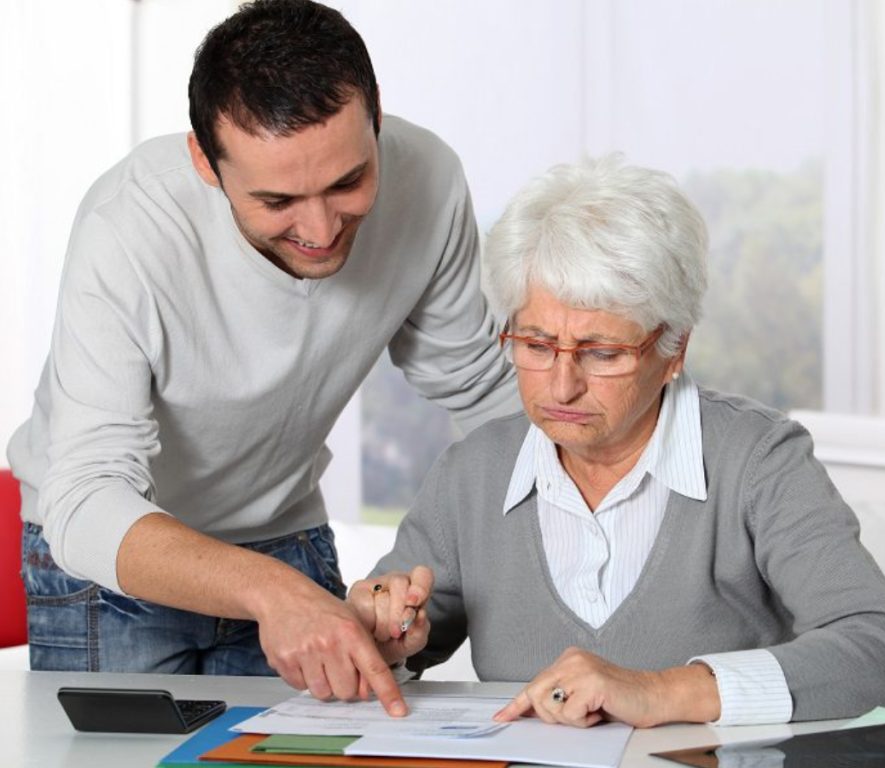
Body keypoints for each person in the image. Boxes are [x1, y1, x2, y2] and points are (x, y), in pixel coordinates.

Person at [6, 0, 518, 715]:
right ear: (204, 161)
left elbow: (482, 385)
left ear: (377, 117)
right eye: (278, 198)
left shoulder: (427, 178)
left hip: (287, 537)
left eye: (347, 183)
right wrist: (271, 592)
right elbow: (85, 498)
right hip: (115, 563)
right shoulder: (128, 226)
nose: (321, 229)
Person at [350, 155, 885, 727]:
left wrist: (662, 691)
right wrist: (387, 635)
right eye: (535, 343)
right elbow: (391, 635)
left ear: (674, 349)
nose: (562, 384)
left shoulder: (759, 461)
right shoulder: (471, 473)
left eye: (602, 354)